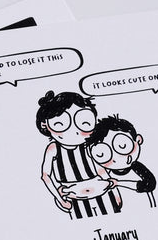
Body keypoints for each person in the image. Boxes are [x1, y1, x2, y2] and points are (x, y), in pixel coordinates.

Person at [36, 90, 122, 218]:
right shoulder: (53, 148)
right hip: (74, 198)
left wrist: (115, 192)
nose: (74, 131)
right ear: (45, 125)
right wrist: (59, 198)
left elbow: (100, 169)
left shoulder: (89, 145)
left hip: (102, 192)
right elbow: (46, 175)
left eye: (84, 123)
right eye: (60, 124)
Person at [86, 114, 157, 207]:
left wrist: (118, 183)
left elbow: (149, 185)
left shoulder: (137, 168)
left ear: (138, 140)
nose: (116, 158)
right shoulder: (106, 174)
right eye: (102, 154)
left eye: (123, 146)